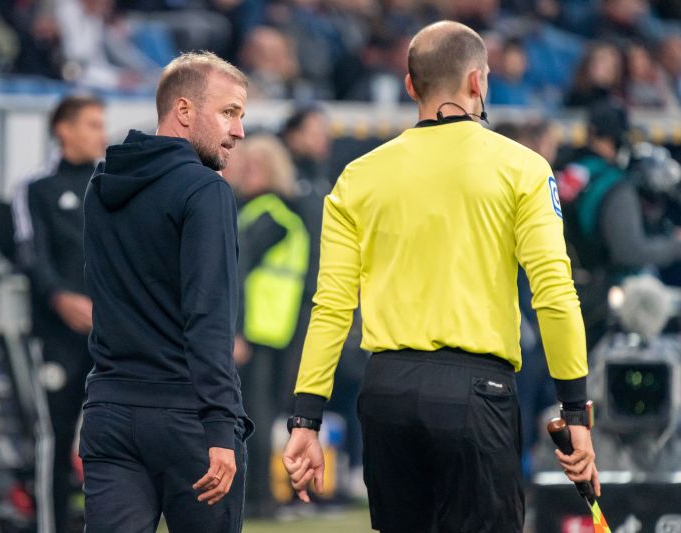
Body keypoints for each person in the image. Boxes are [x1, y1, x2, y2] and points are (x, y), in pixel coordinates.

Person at [282, 21, 599, 532]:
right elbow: (555, 294)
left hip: (385, 391)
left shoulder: (357, 176)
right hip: (477, 390)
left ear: (411, 85)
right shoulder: (522, 167)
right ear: (477, 81)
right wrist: (576, 413)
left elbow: (332, 306)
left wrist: (305, 419)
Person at [80, 51, 252, 533]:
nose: (239, 131)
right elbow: (208, 318)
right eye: (229, 112)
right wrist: (220, 426)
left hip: (109, 412)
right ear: (184, 111)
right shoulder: (205, 190)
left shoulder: (101, 185)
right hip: (188, 419)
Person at [12, 95, 107, 533]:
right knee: (55, 434)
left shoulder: (111, 184)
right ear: (63, 130)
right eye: (92, 124)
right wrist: (59, 298)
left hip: (110, 333)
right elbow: (29, 251)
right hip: (57, 335)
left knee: (114, 434)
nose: (101, 134)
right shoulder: (37, 188)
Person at [556, 100, 681, 347]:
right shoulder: (613, 183)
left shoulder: (566, 171)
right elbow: (628, 250)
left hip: (555, 285)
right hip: (596, 298)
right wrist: (675, 245)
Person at [234, 134, 308, 518]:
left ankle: (258, 497)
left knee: (254, 417)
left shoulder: (267, 215)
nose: (244, 172)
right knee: (258, 415)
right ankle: (259, 497)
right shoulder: (275, 214)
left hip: (256, 330)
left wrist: (236, 329)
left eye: (253, 166)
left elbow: (236, 267)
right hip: (271, 329)